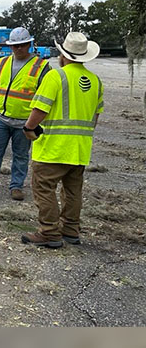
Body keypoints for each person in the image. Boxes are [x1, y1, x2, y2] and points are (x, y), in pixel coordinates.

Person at [21, 32, 103, 248]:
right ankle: (70, 230)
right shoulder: (96, 81)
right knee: (73, 191)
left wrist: (29, 128)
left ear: (62, 54)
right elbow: (95, 117)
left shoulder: (56, 77)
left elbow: (40, 108)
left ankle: (49, 232)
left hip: (53, 148)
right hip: (80, 150)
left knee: (44, 188)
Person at [0, 27, 51, 200]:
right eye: (15, 46)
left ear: (29, 44)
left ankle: (16, 186)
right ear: (10, 46)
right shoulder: (2, 63)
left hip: (25, 122)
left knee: (21, 155)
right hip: (0, 118)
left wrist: (36, 122)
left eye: (22, 45)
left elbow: (46, 96)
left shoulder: (42, 66)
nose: (19, 49)